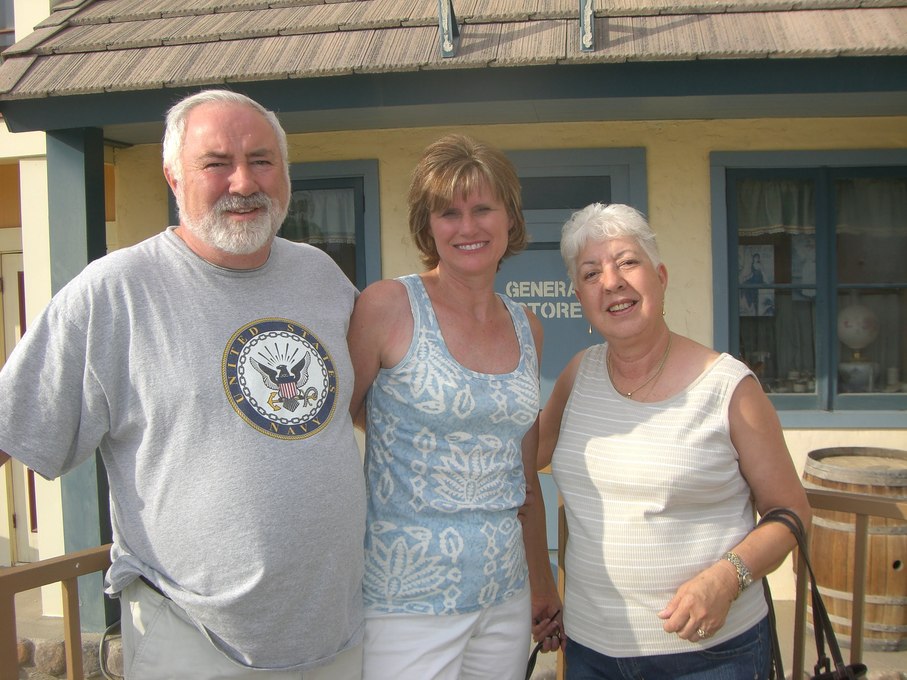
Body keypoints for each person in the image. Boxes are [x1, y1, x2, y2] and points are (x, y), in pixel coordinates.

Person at [0, 89, 365, 679]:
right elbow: (10, 426)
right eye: (216, 163)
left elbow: (365, 403)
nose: (243, 182)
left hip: (336, 638)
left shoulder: (320, 275)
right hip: (194, 642)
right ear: (173, 177)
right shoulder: (114, 292)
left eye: (262, 161)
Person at [538, 203, 811, 679]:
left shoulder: (728, 386)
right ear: (580, 298)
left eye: (627, 262)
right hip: (589, 652)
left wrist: (727, 578)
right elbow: (514, 464)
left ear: (660, 277)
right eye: (591, 273)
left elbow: (791, 513)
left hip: (709, 655)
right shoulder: (577, 376)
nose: (611, 282)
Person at [347, 134, 562, 680]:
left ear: (510, 218)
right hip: (405, 602)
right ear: (429, 226)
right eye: (449, 213)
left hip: (504, 595)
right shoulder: (388, 306)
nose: (468, 227)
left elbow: (524, 477)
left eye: (483, 208)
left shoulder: (527, 326)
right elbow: (337, 423)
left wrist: (542, 583)